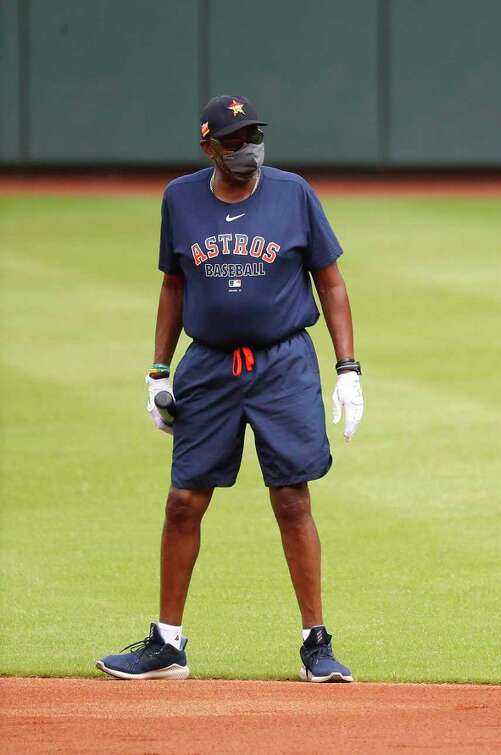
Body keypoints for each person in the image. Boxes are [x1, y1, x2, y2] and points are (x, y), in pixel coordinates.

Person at [96, 95, 364, 683]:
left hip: (283, 364)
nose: (247, 149)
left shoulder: (293, 194)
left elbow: (332, 284)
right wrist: (157, 372)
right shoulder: (181, 198)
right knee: (183, 500)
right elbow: (173, 285)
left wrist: (348, 369)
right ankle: (167, 644)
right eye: (235, 140)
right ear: (209, 148)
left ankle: (316, 644)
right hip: (210, 368)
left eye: (253, 137)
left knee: (292, 497)